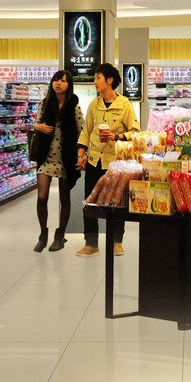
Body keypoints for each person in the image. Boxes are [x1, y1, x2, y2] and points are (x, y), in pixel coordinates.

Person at [76, 62, 141, 257]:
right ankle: (91, 243)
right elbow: (86, 132)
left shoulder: (124, 105)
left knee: (117, 201)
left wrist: (116, 136)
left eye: (98, 78)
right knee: (90, 201)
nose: (95, 82)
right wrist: (81, 154)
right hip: (94, 160)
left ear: (109, 80)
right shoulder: (94, 105)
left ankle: (116, 241)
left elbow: (135, 132)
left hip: (115, 162)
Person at [29, 70, 84, 252]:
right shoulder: (45, 103)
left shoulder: (73, 105)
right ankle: (43, 234)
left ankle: (60, 235)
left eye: (63, 81)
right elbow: (36, 123)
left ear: (69, 85)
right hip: (46, 156)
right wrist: (39, 126)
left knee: (64, 198)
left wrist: (81, 154)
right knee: (42, 197)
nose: (58, 83)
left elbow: (82, 130)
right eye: (56, 80)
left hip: (65, 157)